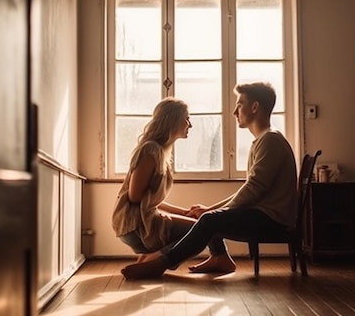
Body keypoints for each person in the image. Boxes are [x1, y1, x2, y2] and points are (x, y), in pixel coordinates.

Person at [120, 81, 298, 279]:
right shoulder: (264, 140)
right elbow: (252, 189)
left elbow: (253, 189)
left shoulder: (270, 140)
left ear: (255, 107)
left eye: (239, 104)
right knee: (208, 218)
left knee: (209, 220)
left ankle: (161, 263)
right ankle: (213, 258)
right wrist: (210, 209)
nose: (234, 111)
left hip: (271, 219)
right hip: (263, 214)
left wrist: (212, 211)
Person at [112, 97, 200, 263]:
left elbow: (149, 200)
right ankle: (155, 259)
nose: (190, 124)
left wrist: (183, 212)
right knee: (201, 231)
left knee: (201, 226)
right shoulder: (151, 149)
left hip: (141, 221)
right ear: (173, 120)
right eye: (187, 118)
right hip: (135, 225)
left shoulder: (160, 152)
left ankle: (150, 259)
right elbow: (135, 196)